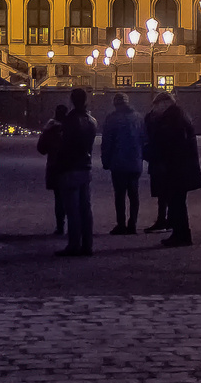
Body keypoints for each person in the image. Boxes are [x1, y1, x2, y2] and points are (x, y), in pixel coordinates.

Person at [144, 91, 201, 248]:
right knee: (178, 203)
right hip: (180, 168)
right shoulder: (178, 115)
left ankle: (181, 235)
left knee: (177, 203)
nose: (154, 109)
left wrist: (153, 154)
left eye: (156, 105)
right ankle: (179, 233)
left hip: (176, 169)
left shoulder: (172, 118)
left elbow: (170, 144)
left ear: (164, 103)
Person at [54, 89, 97, 257]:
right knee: (85, 208)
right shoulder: (91, 120)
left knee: (72, 209)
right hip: (85, 166)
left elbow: (64, 145)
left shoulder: (71, 120)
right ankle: (87, 244)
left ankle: (74, 244)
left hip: (71, 167)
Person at [99, 93, 147, 235]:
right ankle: (132, 223)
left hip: (118, 162)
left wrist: (106, 160)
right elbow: (144, 139)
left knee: (119, 195)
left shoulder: (112, 119)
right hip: (135, 161)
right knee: (134, 194)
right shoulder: (138, 118)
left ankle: (121, 224)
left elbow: (107, 142)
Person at [37, 105, 69, 236]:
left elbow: (41, 149)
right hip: (71, 165)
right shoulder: (72, 127)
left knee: (59, 198)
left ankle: (60, 226)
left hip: (55, 165)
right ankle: (75, 226)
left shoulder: (50, 128)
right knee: (74, 197)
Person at [142, 96, 171, 232]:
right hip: (162, 160)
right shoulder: (163, 119)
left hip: (160, 160)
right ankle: (166, 219)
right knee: (165, 192)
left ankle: (163, 219)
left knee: (163, 192)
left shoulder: (154, 119)